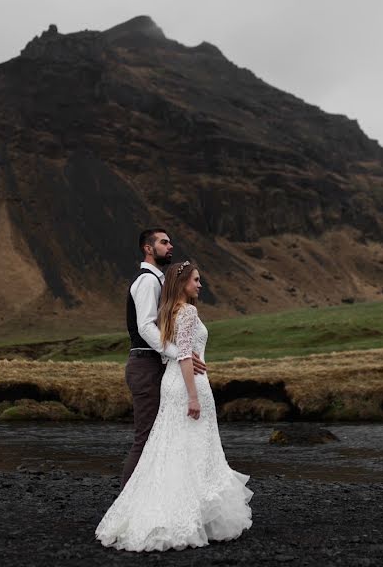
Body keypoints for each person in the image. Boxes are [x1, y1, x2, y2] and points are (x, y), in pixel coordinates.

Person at [97, 260, 253, 551]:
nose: (200, 284)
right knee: (194, 446)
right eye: (196, 280)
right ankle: (188, 517)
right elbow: (184, 356)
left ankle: (166, 511)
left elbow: (173, 351)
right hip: (187, 384)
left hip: (171, 383)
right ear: (182, 284)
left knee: (169, 447)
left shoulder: (167, 311)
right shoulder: (189, 311)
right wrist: (193, 396)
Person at [121, 229, 205, 488]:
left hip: (158, 365)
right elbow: (146, 327)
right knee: (146, 438)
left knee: (161, 438)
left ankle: (157, 497)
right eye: (163, 242)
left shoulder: (161, 282)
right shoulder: (147, 281)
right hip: (146, 363)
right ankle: (127, 506)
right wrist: (178, 352)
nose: (170, 246)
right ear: (148, 248)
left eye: (170, 242)